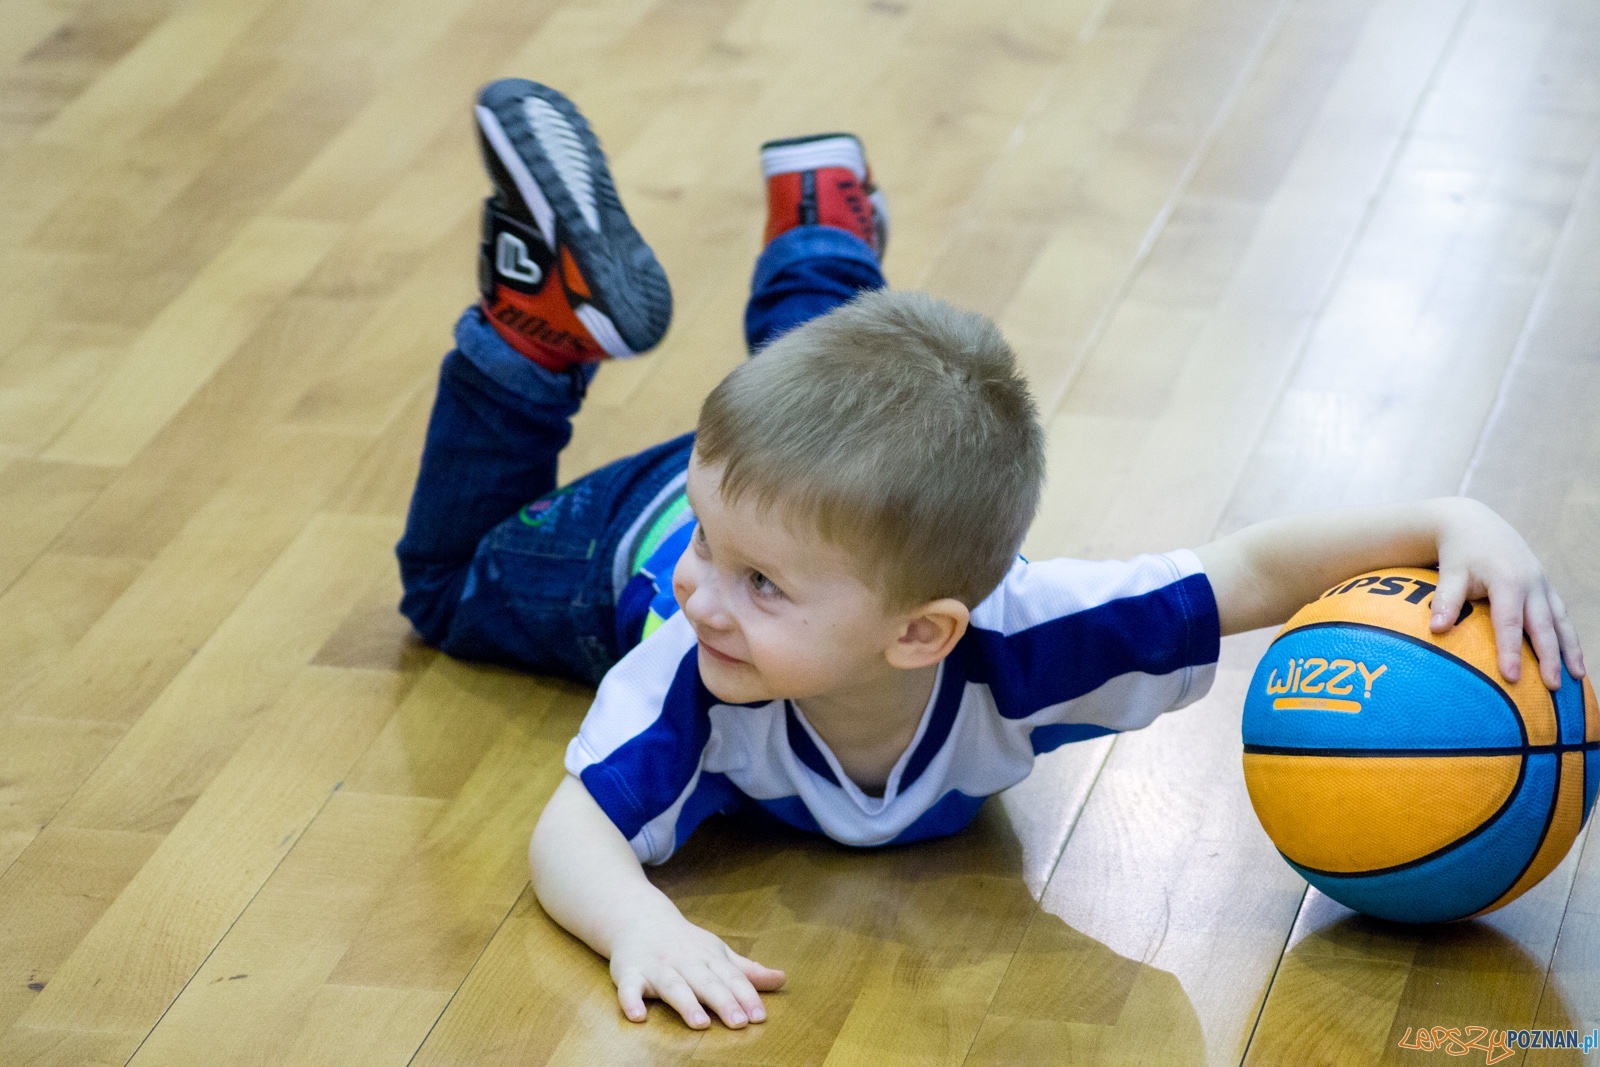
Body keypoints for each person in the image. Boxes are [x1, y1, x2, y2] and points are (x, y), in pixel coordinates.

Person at [396, 79, 1588, 1031]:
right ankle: (537, 324)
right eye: (722, 567)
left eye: (757, 586)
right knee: (447, 591)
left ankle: (821, 222)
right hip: (629, 530)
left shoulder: (1039, 643)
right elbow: (575, 830)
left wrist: (1447, 526)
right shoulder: (689, 655)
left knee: (839, 451)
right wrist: (637, 925)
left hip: (781, 496)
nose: (706, 596)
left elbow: (1245, 577)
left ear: (927, 631)